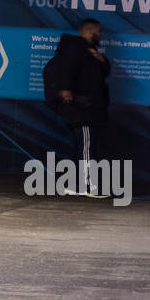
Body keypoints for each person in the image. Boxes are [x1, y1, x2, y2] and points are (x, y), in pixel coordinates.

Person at [47, 17, 111, 196]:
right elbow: (65, 71)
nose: (100, 34)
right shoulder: (75, 49)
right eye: (98, 31)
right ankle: (87, 186)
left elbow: (104, 73)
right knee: (86, 147)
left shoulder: (90, 53)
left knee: (83, 146)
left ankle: (75, 185)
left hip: (89, 108)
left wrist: (101, 59)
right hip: (82, 110)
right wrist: (66, 91)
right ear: (90, 31)